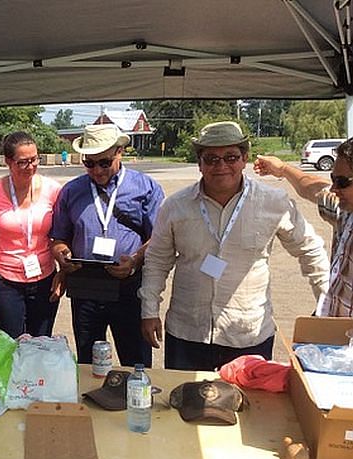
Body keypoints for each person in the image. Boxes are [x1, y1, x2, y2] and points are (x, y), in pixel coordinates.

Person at [139, 121, 329, 371]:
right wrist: (149, 310)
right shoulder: (175, 206)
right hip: (188, 333)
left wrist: (327, 307)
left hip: (248, 333)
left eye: (231, 157)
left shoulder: (273, 203)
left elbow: (310, 249)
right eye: (211, 159)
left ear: (244, 159)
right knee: (185, 407)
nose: (221, 166)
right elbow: (156, 261)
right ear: (200, 163)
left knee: (249, 407)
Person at [50, 124, 164, 367]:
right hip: (86, 287)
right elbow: (59, 238)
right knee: (89, 363)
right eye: (89, 163)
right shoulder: (71, 191)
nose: (97, 170)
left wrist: (135, 260)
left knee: (136, 362)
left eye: (104, 162)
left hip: (129, 287)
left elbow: (159, 238)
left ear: (120, 152)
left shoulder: (145, 188)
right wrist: (63, 256)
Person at [255, 140, 353, 316]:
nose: (333, 188)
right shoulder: (345, 212)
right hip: (332, 330)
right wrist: (282, 169)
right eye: (333, 179)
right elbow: (313, 187)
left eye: (342, 182)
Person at [0, 131, 62, 338]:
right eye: (23, 162)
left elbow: (62, 238)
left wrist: (63, 274)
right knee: (11, 346)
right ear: (8, 161)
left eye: (35, 160)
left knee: (41, 344)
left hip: (44, 279)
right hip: (8, 283)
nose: (31, 167)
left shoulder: (53, 190)